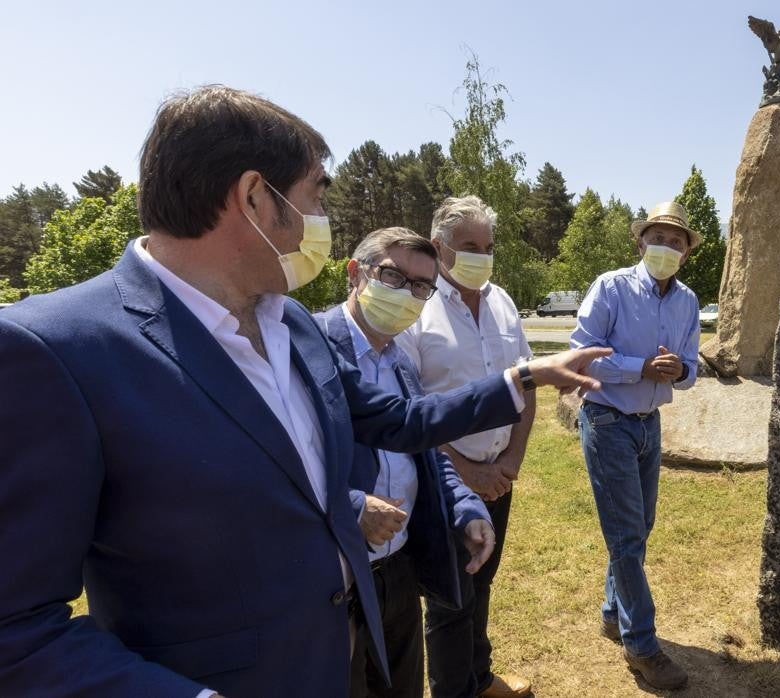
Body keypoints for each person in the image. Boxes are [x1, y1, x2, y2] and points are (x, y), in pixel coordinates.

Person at [0, 85, 607, 698]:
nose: (326, 220)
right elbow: (17, 632)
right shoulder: (54, 350)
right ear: (255, 197)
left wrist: (524, 377)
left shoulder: (288, 321)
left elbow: (391, 422)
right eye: (317, 194)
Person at [314, 226, 491, 697]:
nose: (407, 294)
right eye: (392, 276)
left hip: (397, 565)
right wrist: (353, 506)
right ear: (356, 273)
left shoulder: (399, 362)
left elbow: (428, 453)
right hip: (332, 576)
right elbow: (280, 460)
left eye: (420, 287)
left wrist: (465, 505)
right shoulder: (308, 349)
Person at [394, 196, 534, 698]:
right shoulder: (416, 309)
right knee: (451, 599)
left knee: (482, 581)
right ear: (439, 247)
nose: (482, 256)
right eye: (470, 246)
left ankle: (479, 677)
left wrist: (511, 463)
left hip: (501, 477)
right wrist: (468, 475)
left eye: (489, 246)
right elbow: (409, 412)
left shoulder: (502, 301)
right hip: (446, 483)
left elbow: (526, 388)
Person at [568, 201, 701, 691]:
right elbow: (580, 355)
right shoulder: (611, 286)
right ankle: (641, 645)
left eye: (677, 241)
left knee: (639, 527)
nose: (666, 247)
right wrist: (638, 368)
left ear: (687, 252)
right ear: (641, 242)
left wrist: (679, 370)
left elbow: (692, 366)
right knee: (626, 535)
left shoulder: (687, 301)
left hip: (649, 423)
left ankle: (611, 611)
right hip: (607, 421)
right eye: (658, 238)